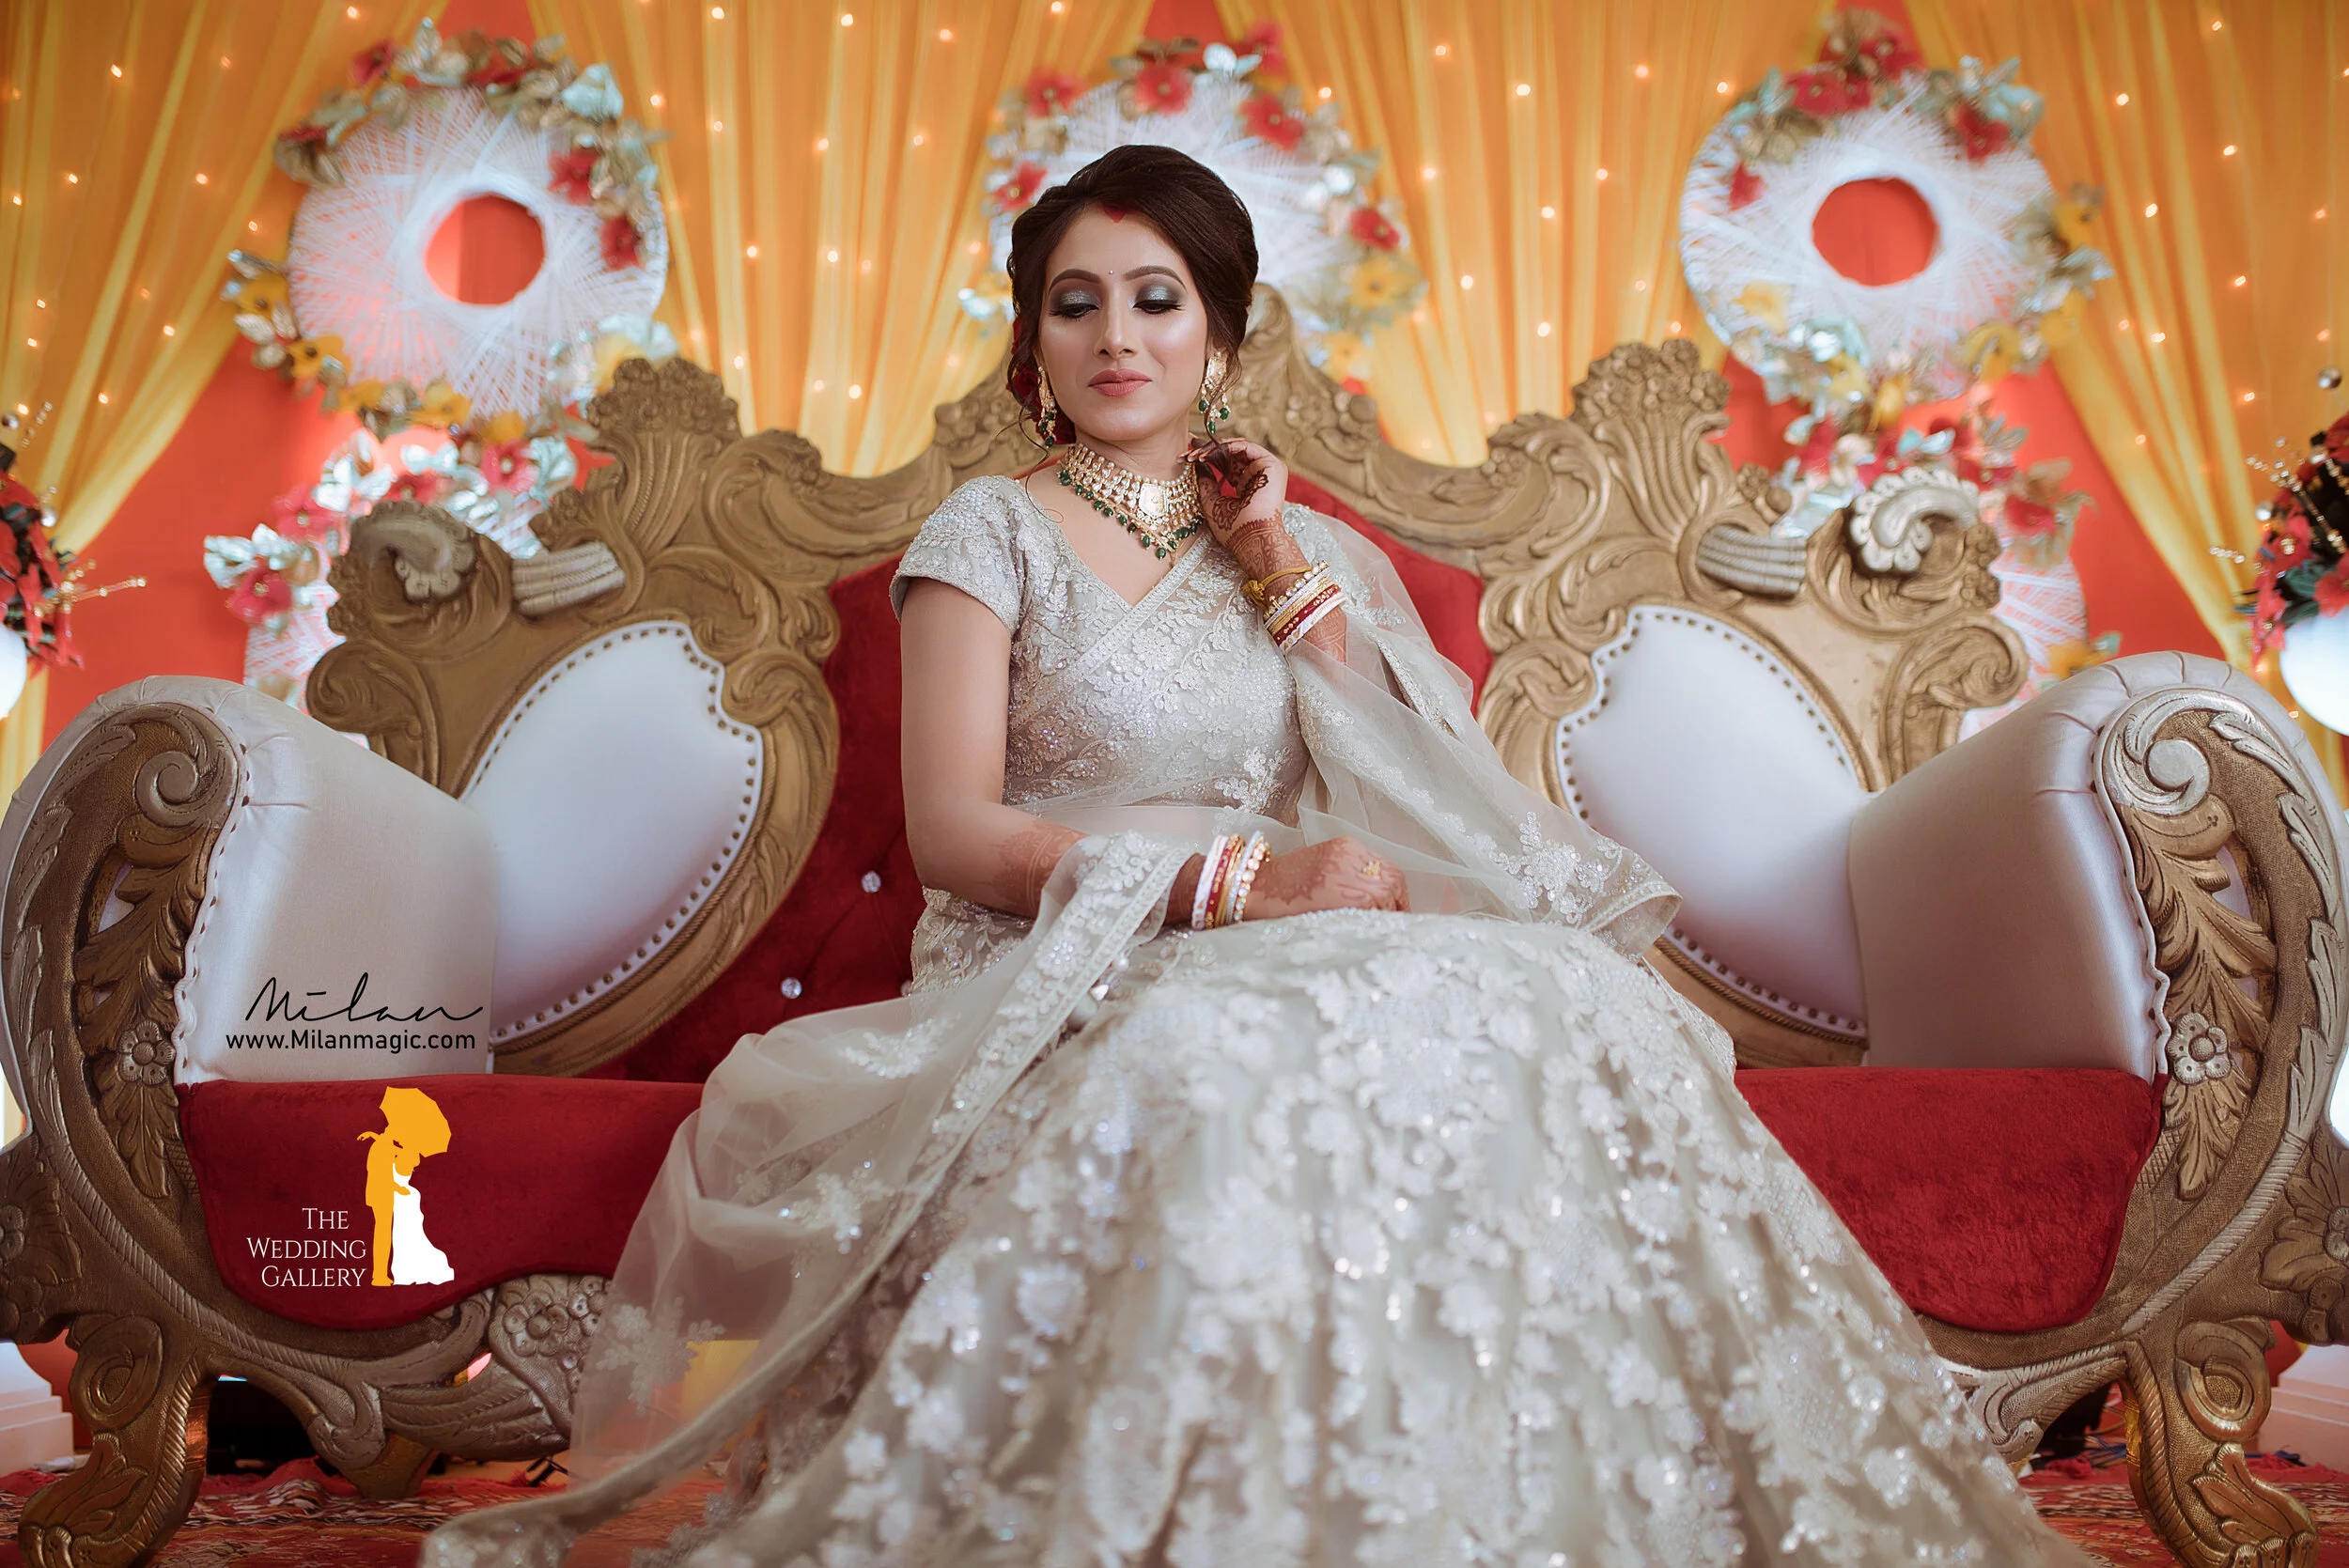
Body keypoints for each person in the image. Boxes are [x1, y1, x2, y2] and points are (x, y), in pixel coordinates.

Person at [426, 145, 2090, 1567]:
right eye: (1076, 300)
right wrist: (1235, 888)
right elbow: (952, 836)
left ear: (1217, 327)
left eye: (1155, 297)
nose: (1116, 335)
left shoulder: (1298, 549)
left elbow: (1406, 785)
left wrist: (1274, 553)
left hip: (1304, 923)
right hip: (1074, 947)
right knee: (1212, 1049)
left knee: (1572, 1004)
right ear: (1033, 338)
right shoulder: (986, 535)